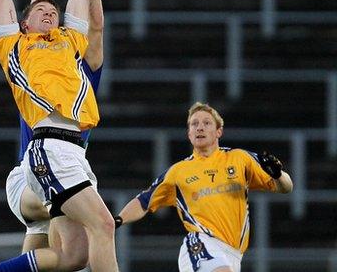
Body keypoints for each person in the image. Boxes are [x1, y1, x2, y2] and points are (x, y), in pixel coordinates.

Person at [0, 0, 119, 272]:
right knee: (103, 225)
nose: (49, 13)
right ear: (23, 24)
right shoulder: (18, 46)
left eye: (54, 12)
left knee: (74, 258)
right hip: (44, 154)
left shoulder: (69, 47)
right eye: (41, 12)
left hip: (72, 155)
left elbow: (87, 7)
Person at [114, 102, 293, 272]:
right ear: (189, 134)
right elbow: (144, 201)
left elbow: (286, 187)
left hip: (234, 254)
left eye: (207, 123)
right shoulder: (178, 171)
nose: (199, 127)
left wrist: (278, 174)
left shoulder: (239, 159)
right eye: (194, 124)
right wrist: (117, 221)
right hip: (201, 243)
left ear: (218, 132)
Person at [5, 0, 105, 253]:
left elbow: (96, 27)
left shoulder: (84, 73)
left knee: (56, 259)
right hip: (33, 171)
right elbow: (36, 13)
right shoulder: (37, 60)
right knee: (90, 227)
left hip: (65, 166)